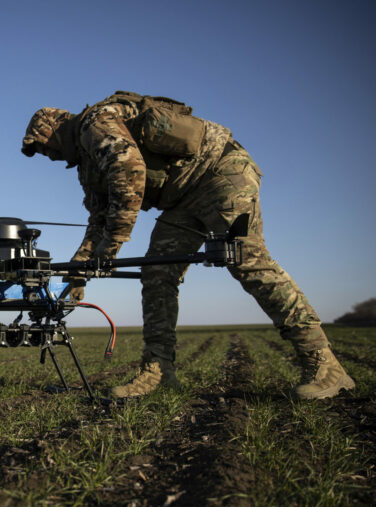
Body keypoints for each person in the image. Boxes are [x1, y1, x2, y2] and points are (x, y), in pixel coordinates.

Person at [21, 90, 355, 399]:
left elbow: (130, 172)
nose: (47, 155)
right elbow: (98, 221)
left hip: (221, 173)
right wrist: (78, 273)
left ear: (54, 129)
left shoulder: (95, 123)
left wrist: (112, 247)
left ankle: (323, 364)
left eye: (43, 146)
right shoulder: (86, 165)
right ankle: (158, 371)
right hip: (181, 199)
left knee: (247, 261)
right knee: (157, 274)